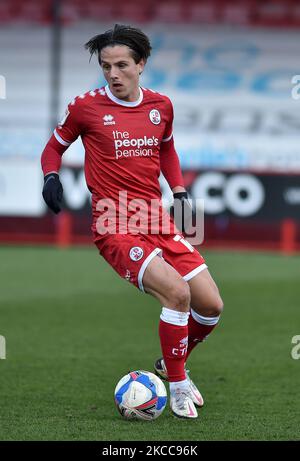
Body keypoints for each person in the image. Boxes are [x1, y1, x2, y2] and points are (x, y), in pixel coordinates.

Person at [41, 24, 223, 419]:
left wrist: (177, 190)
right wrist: (50, 176)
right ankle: (176, 385)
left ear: (141, 64)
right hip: (113, 223)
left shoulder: (161, 106)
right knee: (177, 295)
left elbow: (167, 149)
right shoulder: (85, 107)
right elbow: (54, 147)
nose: (113, 74)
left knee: (210, 305)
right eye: (106, 66)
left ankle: (169, 363)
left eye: (122, 65)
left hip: (155, 217)